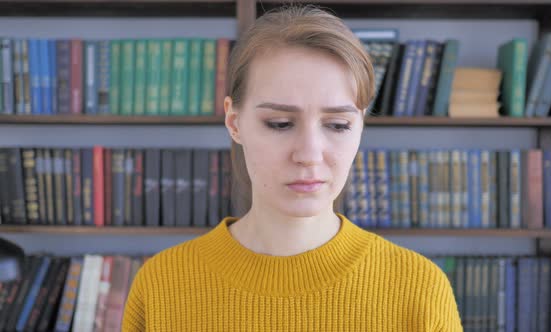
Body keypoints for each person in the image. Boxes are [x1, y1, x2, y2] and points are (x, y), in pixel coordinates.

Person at [122, 5, 462, 331]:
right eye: (281, 123)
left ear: (360, 126)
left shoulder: (420, 290)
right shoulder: (161, 285)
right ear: (234, 122)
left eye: (338, 125)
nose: (309, 154)